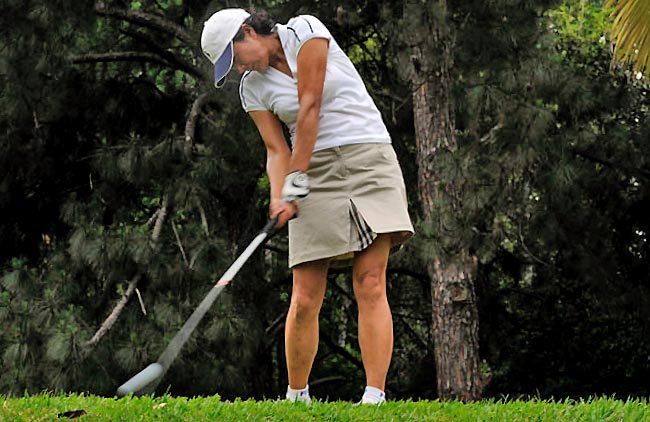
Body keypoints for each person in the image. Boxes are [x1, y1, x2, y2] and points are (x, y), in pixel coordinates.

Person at [201, 7, 414, 405]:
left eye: (236, 56)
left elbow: (310, 103)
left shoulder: (304, 30)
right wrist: (279, 194)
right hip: (310, 171)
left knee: (370, 281)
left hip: (367, 153)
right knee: (304, 296)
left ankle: (374, 397)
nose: (238, 69)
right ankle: (296, 396)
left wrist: (296, 175)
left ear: (248, 32)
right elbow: (275, 149)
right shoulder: (252, 87)